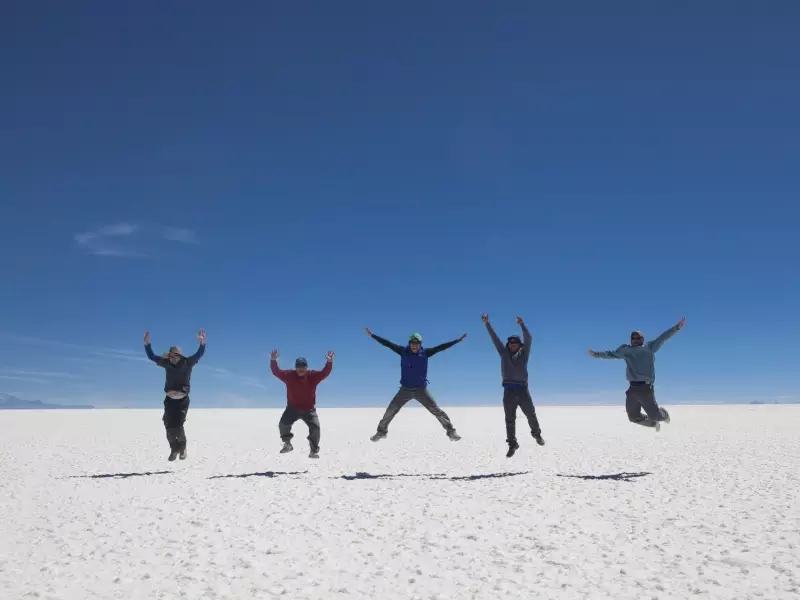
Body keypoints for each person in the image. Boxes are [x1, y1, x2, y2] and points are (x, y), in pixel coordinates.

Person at [365, 328, 466, 442]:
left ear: (420, 344)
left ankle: (451, 432)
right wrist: (373, 335)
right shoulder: (402, 351)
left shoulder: (426, 353)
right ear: (409, 343)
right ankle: (381, 432)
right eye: (412, 343)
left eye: (417, 344)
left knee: (436, 410)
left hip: (421, 390)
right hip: (405, 390)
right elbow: (388, 344)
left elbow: (441, 347)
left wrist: (457, 341)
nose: (414, 346)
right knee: (391, 410)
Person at [588, 317, 686, 431]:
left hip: (645, 387)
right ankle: (653, 425)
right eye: (633, 338)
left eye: (638, 338)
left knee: (655, 416)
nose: (635, 339)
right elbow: (611, 354)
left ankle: (664, 414)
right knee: (633, 417)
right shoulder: (626, 351)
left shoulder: (649, 348)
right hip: (632, 388)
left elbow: (663, 337)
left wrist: (677, 327)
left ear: (642, 339)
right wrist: (596, 354)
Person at [482, 313, 545, 457]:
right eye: (511, 343)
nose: (513, 345)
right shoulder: (503, 354)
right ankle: (512, 444)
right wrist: (487, 324)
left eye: (515, 343)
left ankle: (537, 435)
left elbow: (529, 338)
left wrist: (522, 324)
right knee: (509, 419)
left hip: (523, 391)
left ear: (519, 345)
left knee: (531, 414)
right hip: (509, 392)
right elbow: (495, 339)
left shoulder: (524, 354)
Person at [144, 329, 206, 461]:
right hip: (169, 399)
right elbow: (151, 356)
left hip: (182, 400)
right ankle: (174, 449)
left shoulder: (187, 363)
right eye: (170, 356)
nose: (172, 358)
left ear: (180, 356)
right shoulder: (166, 363)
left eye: (175, 356)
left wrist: (202, 342)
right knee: (168, 424)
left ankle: (182, 448)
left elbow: (199, 354)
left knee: (178, 426)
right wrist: (147, 344)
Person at [270, 350, 333, 458]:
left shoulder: (312, 376)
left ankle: (313, 451)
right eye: (298, 366)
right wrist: (273, 360)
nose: (301, 368)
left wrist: (329, 362)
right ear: (295, 367)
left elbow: (324, 373)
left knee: (315, 428)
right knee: (283, 424)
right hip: (292, 409)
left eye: (303, 366)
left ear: (306, 367)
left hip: (309, 410)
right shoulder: (289, 375)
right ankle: (287, 444)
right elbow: (276, 372)